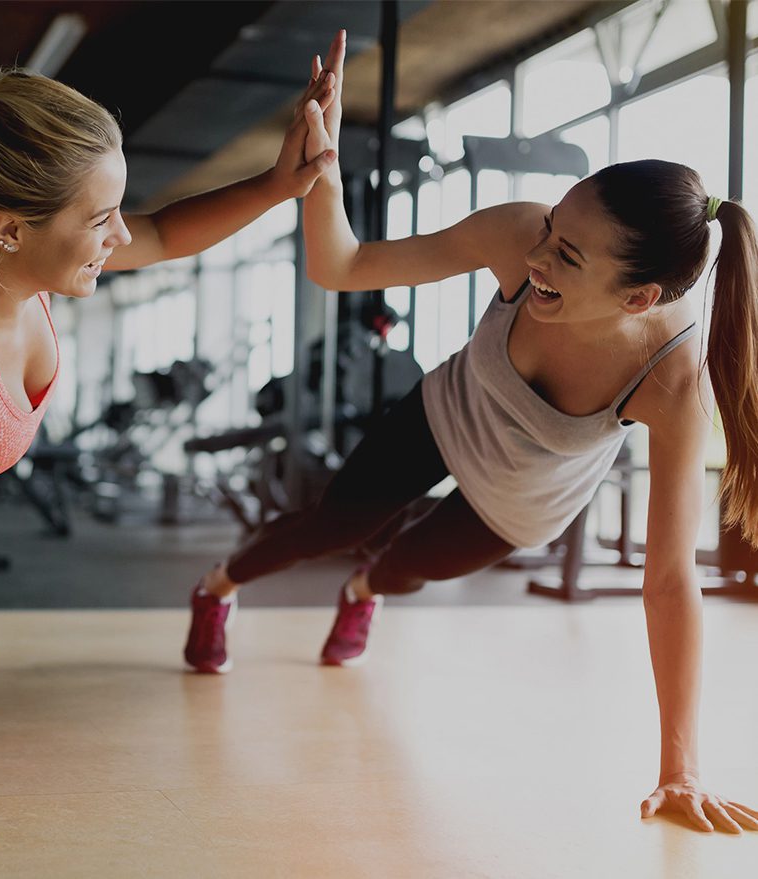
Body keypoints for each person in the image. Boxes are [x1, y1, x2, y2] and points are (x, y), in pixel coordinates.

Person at [184, 30, 758, 834]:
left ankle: (362, 593)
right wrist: (323, 167)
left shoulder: (670, 377)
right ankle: (216, 588)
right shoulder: (518, 236)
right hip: (442, 414)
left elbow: (668, 579)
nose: (537, 259)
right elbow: (341, 266)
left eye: (565, 255)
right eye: (552, 227)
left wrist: (680, 768)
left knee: (401, 571)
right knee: (327, 525)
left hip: (520, 501)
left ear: (638, 299)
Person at [0, 49, 337, 876]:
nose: (120, 234)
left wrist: (280, 182)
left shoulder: (20, 259)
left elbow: (159, 234)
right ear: (10, 227)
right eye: (101, 218)